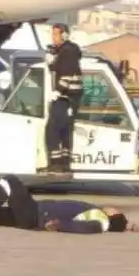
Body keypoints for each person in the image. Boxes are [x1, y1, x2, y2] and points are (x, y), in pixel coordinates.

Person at [0, 174, 139, 233]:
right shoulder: (100, 215)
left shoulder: (100, 221)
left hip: (36, 215)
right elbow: (125, 225)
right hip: (32, 215)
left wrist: (60, 225)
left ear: (113, 216)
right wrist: (133, 227)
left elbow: (84, 228)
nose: (112, 207)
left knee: (10, 181)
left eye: (115, 210)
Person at [44, 23, 83, 172]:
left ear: (64, 35)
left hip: (67, 97)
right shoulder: (65, 51)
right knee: (65, 130)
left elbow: (66, 73)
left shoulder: (68, 52)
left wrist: (58, 92)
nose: (53, 37)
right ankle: (64, 162)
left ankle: (56, 163)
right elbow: (57, 68)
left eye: (56, 34)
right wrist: (52, 60)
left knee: (53, 129)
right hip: (68, 97)